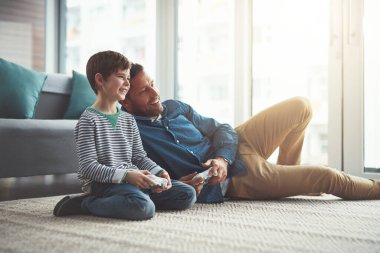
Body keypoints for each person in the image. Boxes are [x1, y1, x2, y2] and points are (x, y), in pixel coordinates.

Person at [119, 63, 380, 203]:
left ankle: (289, 177)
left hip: (236, 147)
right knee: (326, 176)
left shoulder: (175, 107)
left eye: (152, 84)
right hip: (236, 177)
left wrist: (223, 156)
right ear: (126, 103)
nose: (155, 93)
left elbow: (222, 129)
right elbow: (135, 179)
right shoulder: (130, 133)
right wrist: (179, 185)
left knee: (302, 106)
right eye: (145, 91)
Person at [53, 51, 196, 219]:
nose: (127, 83)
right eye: (121, 77)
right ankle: (86, 203)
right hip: (104, 184)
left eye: (128, 78)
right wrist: (126, 176)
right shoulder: (88, 120)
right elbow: (88, 167)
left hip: (131, 179)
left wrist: (158, 172)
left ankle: (134, 197)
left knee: (187, 194)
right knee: (143, 208)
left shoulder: (128, 119)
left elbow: (139, 157)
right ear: (100, 80)